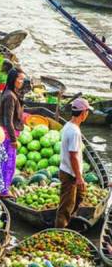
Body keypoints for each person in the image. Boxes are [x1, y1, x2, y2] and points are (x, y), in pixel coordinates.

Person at [55, 98, 93, 228]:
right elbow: (73, 156)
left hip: (67, 170)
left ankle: (69, 223)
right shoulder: (75, 131)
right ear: (84, 113)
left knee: (79, 197)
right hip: (70, 173)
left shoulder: (68, 126)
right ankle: (59, 230)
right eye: (87, 112)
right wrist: (79, 177)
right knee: (66, 207)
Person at [0, 69, 25, 195]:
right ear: (13, 80)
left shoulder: (11, 93)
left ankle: (1, 187)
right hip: (7, 136)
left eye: (23, 79)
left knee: (5, 162)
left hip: (6, 134)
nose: (21, 82)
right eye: (20, 79)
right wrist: (13, 140)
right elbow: (8, 121)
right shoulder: (10, 97)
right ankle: (3, 190)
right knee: (8, 164)